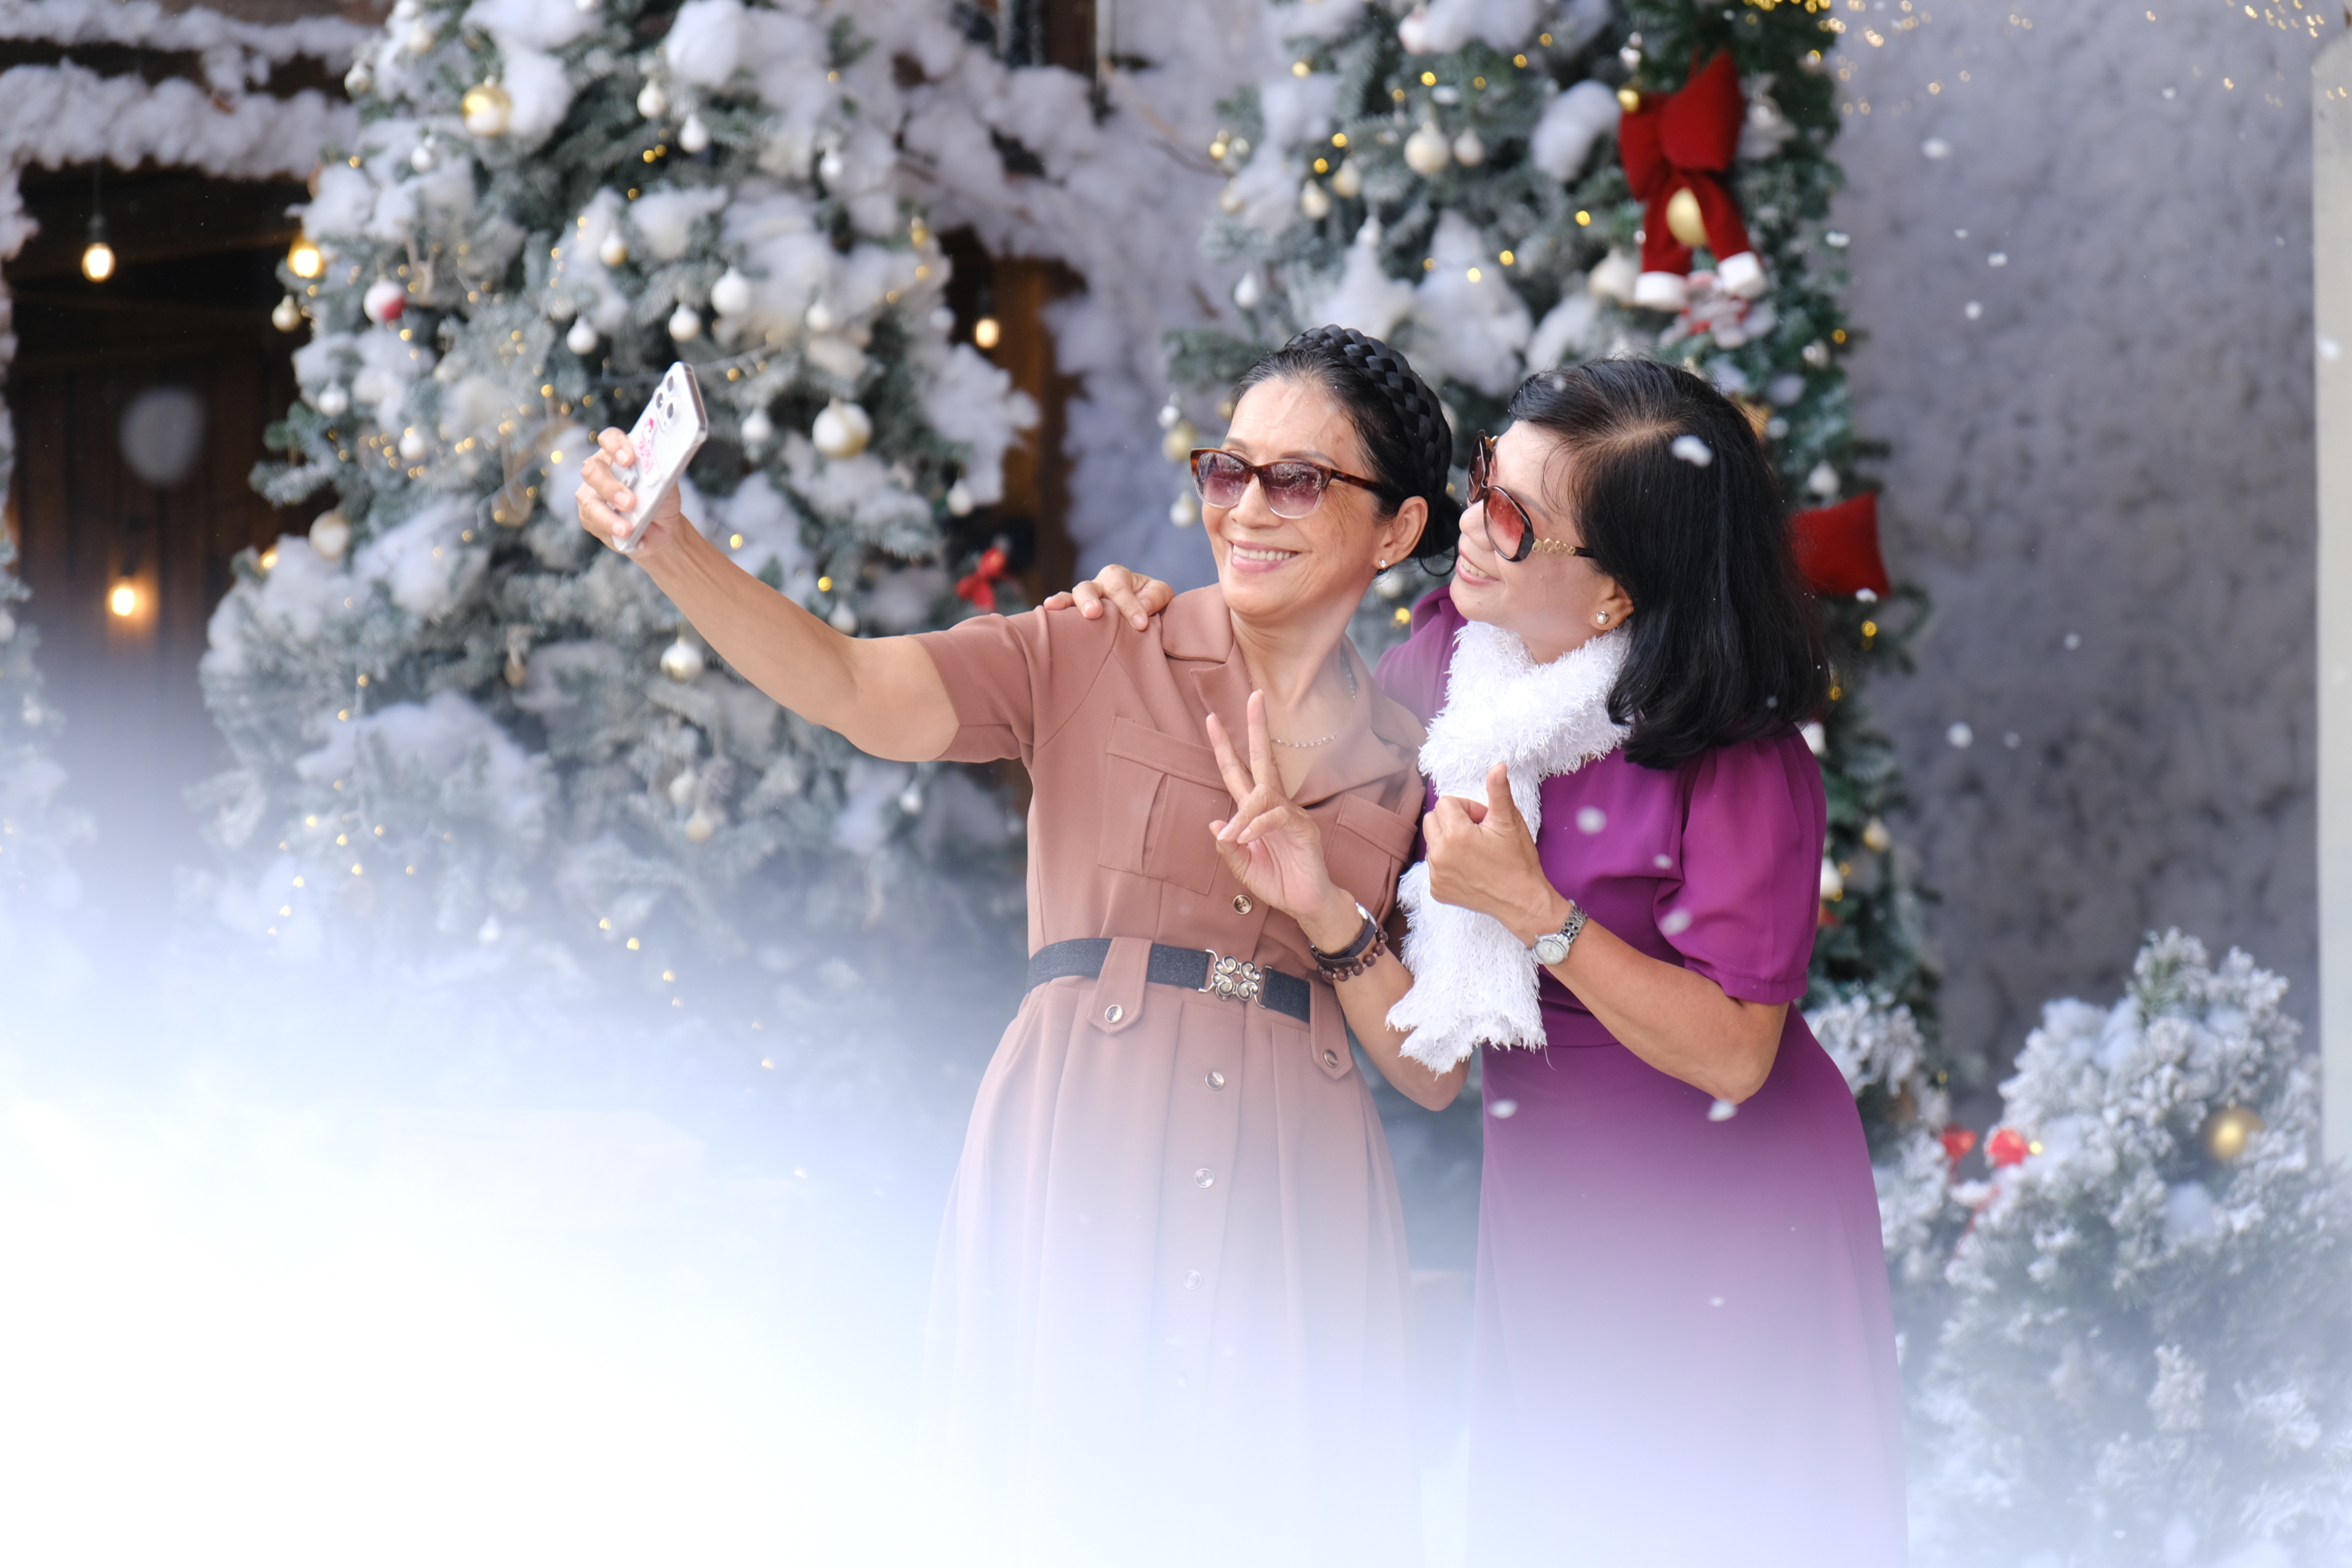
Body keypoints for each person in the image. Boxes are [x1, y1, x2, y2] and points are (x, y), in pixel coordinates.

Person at [575, 326, 1463, 1565]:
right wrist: (671, 548)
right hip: (1081, 1152)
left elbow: (1433, 1067)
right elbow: (850, 686)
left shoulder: (1421, 765)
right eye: (1227, 470)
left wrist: (1326, 913)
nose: (1247, 509)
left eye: (1298, 480)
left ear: (1398, 527)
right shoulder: (1096, 643)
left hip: (1301, 1199)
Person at [1073, 358, 1908, 1567]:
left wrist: (1539, 914)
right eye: (1481, 480)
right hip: (1554, 1208)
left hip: (1735, 1221)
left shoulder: (1737, 760)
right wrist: (1148, 625)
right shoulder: (1454, 674)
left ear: (1616, 594)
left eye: (1513, 519)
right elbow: (1277, 724)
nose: (1470, 527)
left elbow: (1736, 1051)